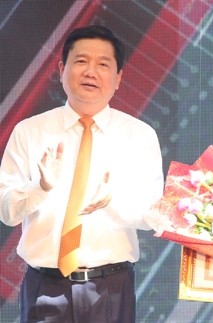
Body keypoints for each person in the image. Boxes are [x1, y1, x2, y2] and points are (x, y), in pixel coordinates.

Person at [0, 25, 164, 323]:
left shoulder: (139, 136)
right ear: (62, 70)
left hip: (110, 287)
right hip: (44, 286)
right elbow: (6, 212)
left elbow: (154, 215)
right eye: (81, 61)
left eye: (103, 64)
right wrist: (40, 187)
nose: (91, 71)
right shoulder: (29, 131)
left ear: (118, 79)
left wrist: (112, 201)